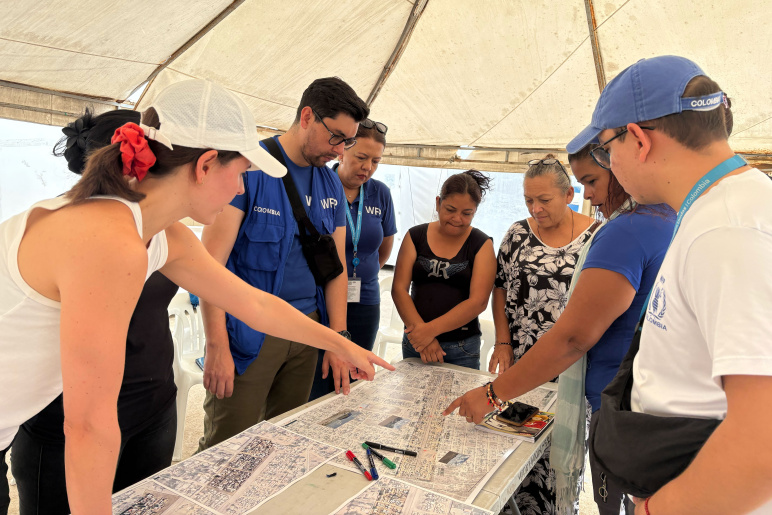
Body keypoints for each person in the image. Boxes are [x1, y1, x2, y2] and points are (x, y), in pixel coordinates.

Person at [0, 78, 392, 514]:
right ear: (205, 165)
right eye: (242, 172)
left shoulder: (157, 229)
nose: (243, 188)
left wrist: (340, 343)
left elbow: (254, 304)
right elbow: (89, 424)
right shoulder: (108, 240)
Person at [443, 144, 675, 515]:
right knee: (512, 446)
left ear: (567, 195)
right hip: (527, 360)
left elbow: (574, 337)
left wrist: (491, 394)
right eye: (528, 200)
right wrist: (504, 343)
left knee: (555, 453)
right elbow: (501, 286)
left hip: (570, 369)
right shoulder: (520, 233)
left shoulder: (611, 233)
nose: (535, 209)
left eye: (590, 181)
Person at [10, 110, 178, 514]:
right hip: (68, 418)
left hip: (152, 407)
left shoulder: (161, 231)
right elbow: (84, 422)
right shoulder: (83, 235)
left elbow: (244, 298)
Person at [197, 77, 371, 451]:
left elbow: (336, 269)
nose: (341, 151)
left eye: (348, 141)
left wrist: (337, 340)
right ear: (307, 116)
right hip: (247, 336)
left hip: (307, 331)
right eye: (336, 137)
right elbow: (209, 268)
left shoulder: (331, 186)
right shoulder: (249, 168)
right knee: (226, 447)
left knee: (285, 442)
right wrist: (216, 345)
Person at [309, 119, 397, 400]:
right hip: (321, 300)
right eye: (361, 157)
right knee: (320, 377)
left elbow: (383, 249)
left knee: (354, 378)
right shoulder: (320, 185)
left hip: (365, 300)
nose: (368, 167)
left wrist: (360, 273)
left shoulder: (380, 193)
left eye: (375, 161)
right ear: (343, 151)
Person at [392, 170, 496, 370]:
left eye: (467, 214)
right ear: (438, 202)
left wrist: (429, 331)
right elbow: (399, 289)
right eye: (450, 209)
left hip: (461, 348)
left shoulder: (481, 244)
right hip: (417, 342)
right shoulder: (415, 236)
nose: (457, 218)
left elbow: (478, 302)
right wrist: (422, 336)